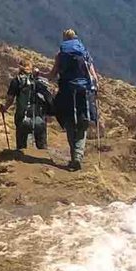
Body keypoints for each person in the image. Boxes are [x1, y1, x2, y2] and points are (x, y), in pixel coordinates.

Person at [48, 29, 99, 172]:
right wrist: (95, 88)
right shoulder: (84, 53)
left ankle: (74, 156)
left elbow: (52, 74)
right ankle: (78, 156)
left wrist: (40, 74)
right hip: (84, 92)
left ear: (64, 39)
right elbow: (94, 76)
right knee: (83, 123)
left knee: (69, 122)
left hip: (66, 92)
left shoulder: (61, 54)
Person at [1, 63, 51, 154]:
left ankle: (20, 161)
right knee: (42, 146)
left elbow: (10, 99)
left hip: (22, 117)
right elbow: (47, 98)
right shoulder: (39, 81)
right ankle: (44, 163)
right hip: (40, 118)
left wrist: (4, 108)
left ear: (20, 68)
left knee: (21, 146)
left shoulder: (16, 81)